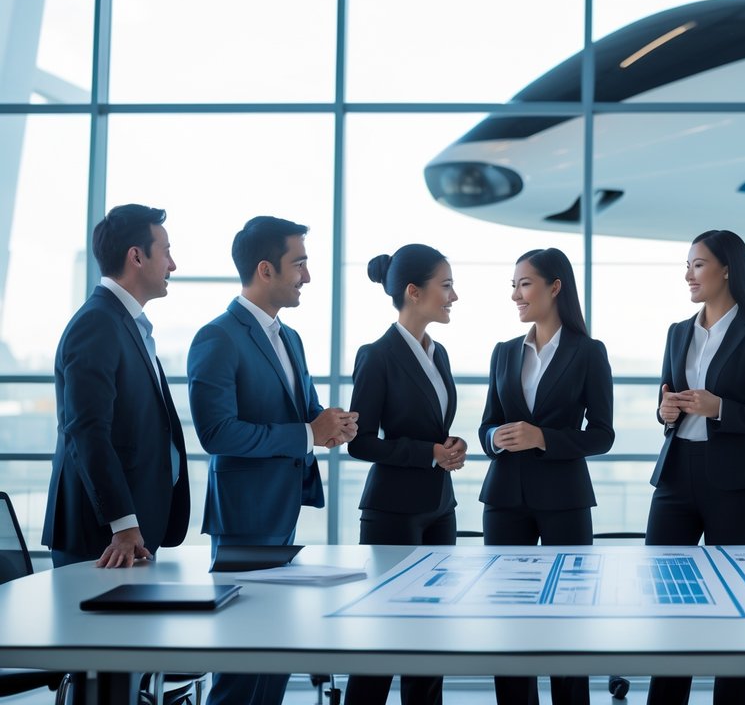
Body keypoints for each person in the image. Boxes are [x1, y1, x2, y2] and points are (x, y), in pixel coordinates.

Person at [188, 216, 358, 705]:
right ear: (265, 269)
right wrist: (307, 432)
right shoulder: (217, 337)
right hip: (244, 521)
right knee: (242, 668)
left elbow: (306, 414)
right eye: (299, 263)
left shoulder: (290, 338)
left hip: (283, 514)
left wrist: (332, 425)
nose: (307, 276)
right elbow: (216, 433)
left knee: (276, 657)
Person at [645, 230, 745, 705]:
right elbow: (665, 401)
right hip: (676, 474)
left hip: (735, 481)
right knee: (669, 603)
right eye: (688, 265)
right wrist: (666, 412)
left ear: (727, 269)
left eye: (698, 264)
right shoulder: (677, 331)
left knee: (736, 608)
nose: (689, 274)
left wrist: (720, 407)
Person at [478, 248, 614, 705]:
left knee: (568, 619)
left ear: (555, 287)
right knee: (508, 619)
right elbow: (486, 427)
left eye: (525, 284)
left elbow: (602, 435)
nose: (516, 294)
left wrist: (544, 439)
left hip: (565, 498)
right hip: (504, 498)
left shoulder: (589, 353)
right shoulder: (503, 352)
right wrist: (496, 437)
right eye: (513, 285)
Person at [346, 244, 467, 705]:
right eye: (447, 285)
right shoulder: (376, 355)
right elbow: (361, 442)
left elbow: (433, 429)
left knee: (430, 639)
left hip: (440, 508)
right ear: (414, 293)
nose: (454, 296)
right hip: (392, 511)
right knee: (380, 640)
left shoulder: (440, 354)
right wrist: (427, 453)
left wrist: (451, 447)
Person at [43, 204, 189, 568]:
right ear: (136, 257)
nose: (173, 265)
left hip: (129, 536)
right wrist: (122, 524)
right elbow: (88, 431)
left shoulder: (124, 323)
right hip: (105, 537)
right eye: (167, 251)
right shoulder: (97, 324)